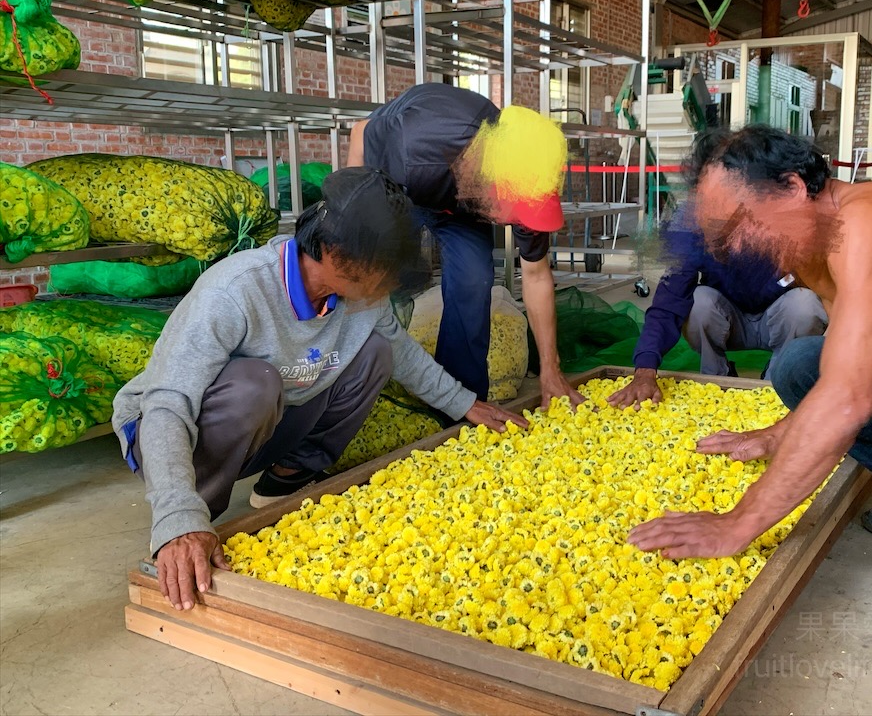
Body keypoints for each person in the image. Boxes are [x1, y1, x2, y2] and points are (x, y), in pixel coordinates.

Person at [627, 125, 872, 637]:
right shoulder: (814, 251)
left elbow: (849, 399)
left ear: (792, 188)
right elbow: (846, 369)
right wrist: (776, 435)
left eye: (742, 222)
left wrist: (739, 522)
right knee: (801, 363)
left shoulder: (867, 216)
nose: (737, 246)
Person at [112, 168, 527, 612]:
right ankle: (195, 517)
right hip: (171, 429)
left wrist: (466, 405)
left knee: (377, 352)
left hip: (271, 416)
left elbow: (403, 353)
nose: (389, 283)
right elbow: (168, 403)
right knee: (256, 383)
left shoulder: (362, 297)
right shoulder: (233, 292)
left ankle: (283, 480)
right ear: (333, 252)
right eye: (384, 270)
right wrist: (178, 516)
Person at [347, 82, 584, 409]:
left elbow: (537, 276)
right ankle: (363, 391)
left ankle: (460, 408)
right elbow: (360, 133)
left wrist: (550, 369)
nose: (518, 222)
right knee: (380, 279)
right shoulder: (417, 148)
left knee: (473, 281)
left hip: (458, 203)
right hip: (395, 185)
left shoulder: (529, 178)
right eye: (515, 210)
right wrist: (351, 230)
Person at [607, 214, 827, 408]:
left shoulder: (788, 220)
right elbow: (668, 302)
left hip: (778, 321)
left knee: (805, 303)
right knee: (699, 301)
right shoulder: (696, 225)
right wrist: (645, 369)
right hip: (730, 322)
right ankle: (718, 378)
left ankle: (776, 377)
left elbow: (832, 293)